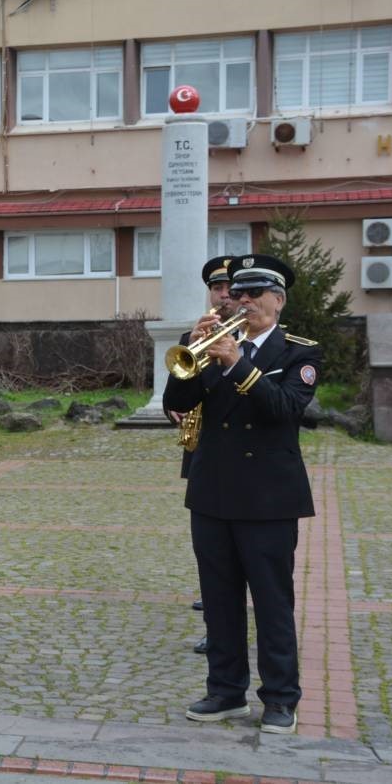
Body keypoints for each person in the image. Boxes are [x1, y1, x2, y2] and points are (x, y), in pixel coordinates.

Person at [163, 253, 321, 735]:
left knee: (272, 601)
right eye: (238, 293)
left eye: (255, 293)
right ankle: (226, 691)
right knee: (219, 598)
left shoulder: (298, 352)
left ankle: (279, 698)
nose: (243, 300)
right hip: (212, 492)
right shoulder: (214, 346)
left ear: (279, 299)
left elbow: (285, 409)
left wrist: (236, 365)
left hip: (269, 498)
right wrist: (190, 356)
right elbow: (176, 404)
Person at [170, 256, 237, 655]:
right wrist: (172, 408)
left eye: (229, 289)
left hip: (244, 454)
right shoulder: (192, 334)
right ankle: (216, 621)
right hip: (204, 448)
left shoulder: (258, 336)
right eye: (217, 289)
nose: (224, 295)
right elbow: (175, 387)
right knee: (209, 545)